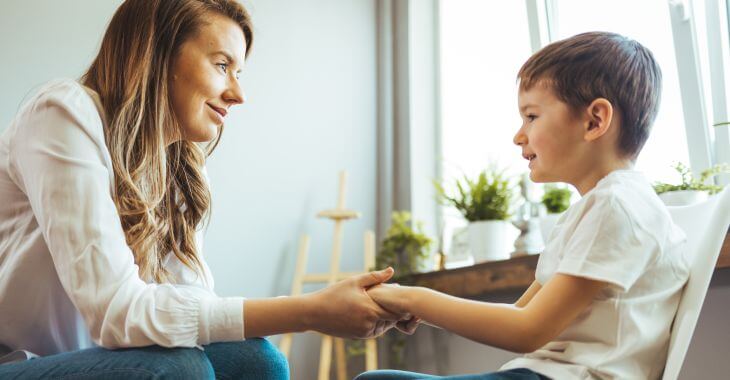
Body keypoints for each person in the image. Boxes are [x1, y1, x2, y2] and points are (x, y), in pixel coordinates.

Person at [0, 1, 413, 378]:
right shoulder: (62, 114)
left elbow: (191, 309)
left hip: (99, 358)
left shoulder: (180, 169)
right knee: (182, 369)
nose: (238, 94)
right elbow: (117, 312)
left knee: (257, 360)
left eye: (239, 72)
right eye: (221, 65)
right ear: (156, 54)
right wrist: (307, 311)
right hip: (18, 360)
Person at [359, 32, 689, 380]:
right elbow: (518, 314)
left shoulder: (618, 206)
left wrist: (412, 299)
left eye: (531, 116)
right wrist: (419, 308)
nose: (519, 135)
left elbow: (526, 331)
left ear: (594, 121)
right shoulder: (595, 209)